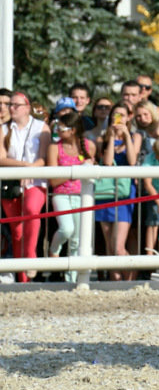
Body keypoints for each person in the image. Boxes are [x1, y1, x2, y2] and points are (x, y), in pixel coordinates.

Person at [1, 92, 51, 282]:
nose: (11, 108)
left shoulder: (41, 127)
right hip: (12, 182)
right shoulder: (3, 129)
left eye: (16, 105)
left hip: (35, 181)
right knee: (16, 230)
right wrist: (24, 168)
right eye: (9, 105)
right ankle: (23, 278)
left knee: (31, 211)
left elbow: (43, 158)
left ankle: (31, 257)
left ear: (27, 107)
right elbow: (1, 157)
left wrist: (31, 170)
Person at [46, 111, 96, 282]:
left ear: (73, 130)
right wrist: (76, 171)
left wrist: (81, 169)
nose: (58, 131)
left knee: (77, 240)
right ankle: (53, 251)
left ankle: (72, 280)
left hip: (82, 195)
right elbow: (53, 180)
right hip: (61, 194)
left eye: (61, 128)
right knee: (66, 229)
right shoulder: (54, 148)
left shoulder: (89, 146)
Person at [96, 102, 138, 277]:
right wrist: (112, 136)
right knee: (110, 247)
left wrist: (126, 135)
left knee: (119, 247)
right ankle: (115, 283)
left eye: (122, 115)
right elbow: (107, 162)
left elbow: (132, 161)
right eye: (115, 115)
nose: (118, 118)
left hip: (125, 192)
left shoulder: (135, 137)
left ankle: (129, 280)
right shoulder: (101, 139)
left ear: (128, 117)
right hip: (105, 193)